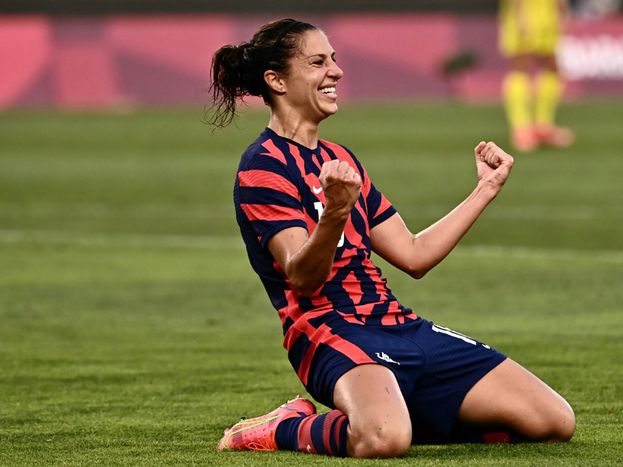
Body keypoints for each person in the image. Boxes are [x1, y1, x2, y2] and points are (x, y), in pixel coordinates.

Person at [209, 18, 575, 458]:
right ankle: (285, 427)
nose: (336, 71)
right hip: (328, 329)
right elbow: (302, 277)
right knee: (383, 439)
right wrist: (336, 213)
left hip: (397, 324)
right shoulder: (263, 166)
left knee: (553, 421)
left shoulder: (340, 158)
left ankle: (391, 410)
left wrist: (485, 189)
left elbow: (414, 255)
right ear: (277, 80)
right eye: (318, 62)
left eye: (334, 60)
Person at [499, 0, 575, 152]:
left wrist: (562, 9)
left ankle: (543, 126)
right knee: (520, 66)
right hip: (525, 12)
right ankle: (521, 129)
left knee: (551, 66)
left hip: (548, 13)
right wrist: (521, 15)